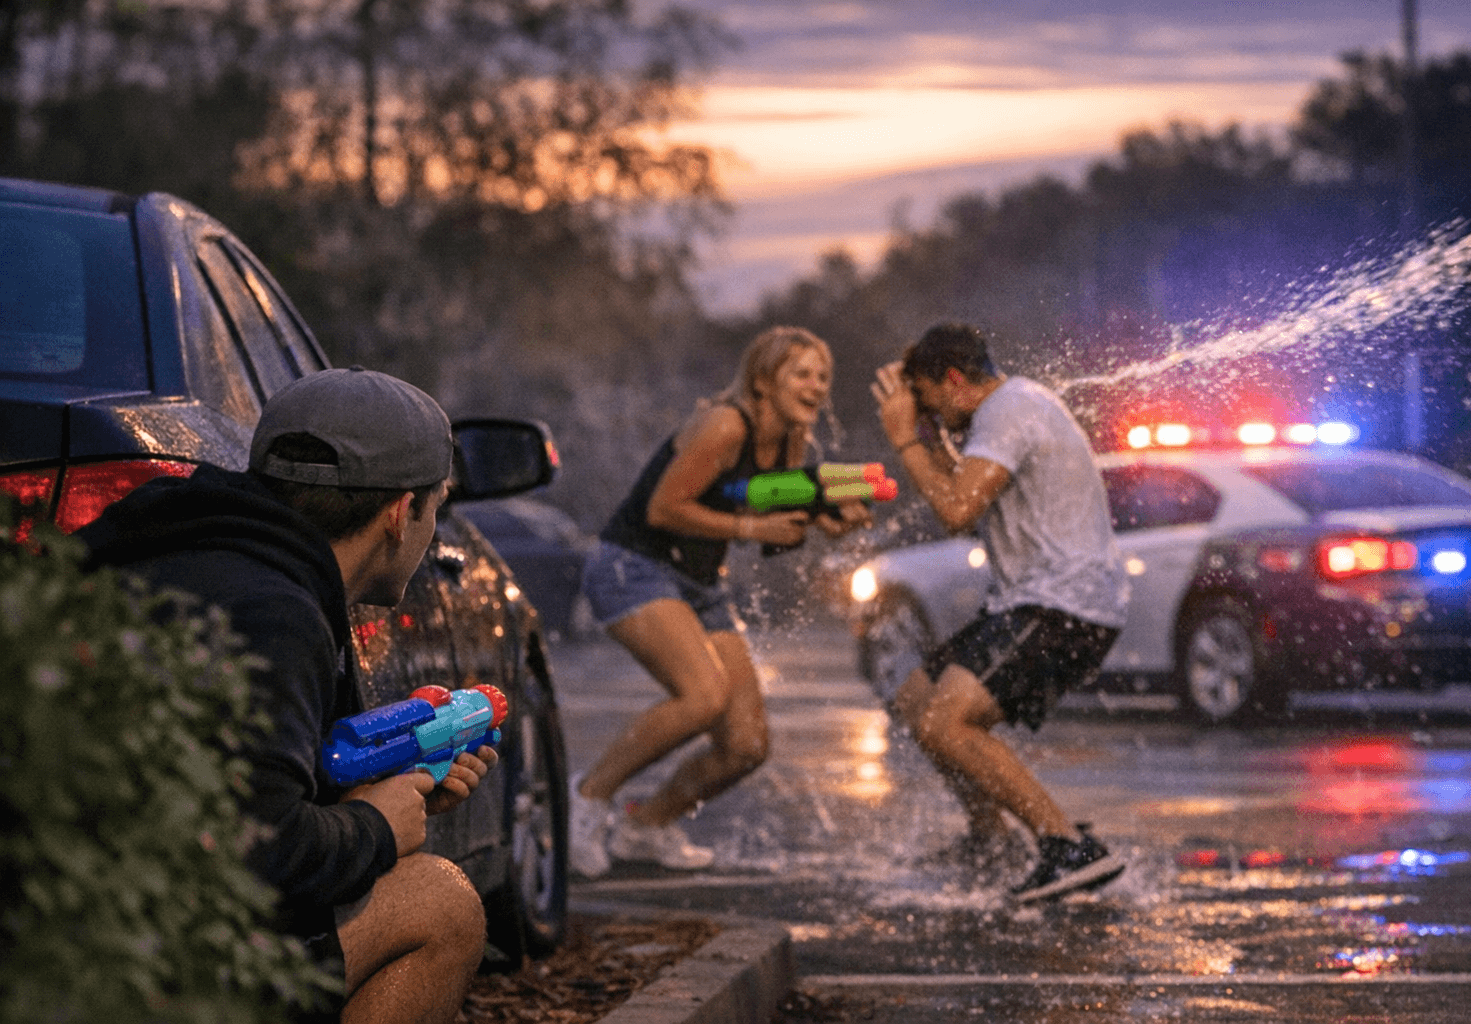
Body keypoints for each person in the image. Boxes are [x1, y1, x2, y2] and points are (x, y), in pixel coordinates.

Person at [79, 367, 495, 1024]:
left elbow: (221, 792)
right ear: (399, 513)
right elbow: (258, 853)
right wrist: (375, 827)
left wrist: (380, 782)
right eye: (435, 507)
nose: (431, 533)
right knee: (440, 904)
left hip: (70, 922)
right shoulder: (276, 614)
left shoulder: (178, 547)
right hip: (121, 972)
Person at [569, 326, 870, 878]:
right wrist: (754, 526)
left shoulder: (792, 440)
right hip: (632, 566)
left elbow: (774, 516)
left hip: (700, 583)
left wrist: (832, 519)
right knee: (702, 696)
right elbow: (663, 510)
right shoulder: (725, 425)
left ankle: (647, 824)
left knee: (746, 745)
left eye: (823, 375)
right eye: (801, 373)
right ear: (762, 380)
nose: (816, 385)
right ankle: (587, 799)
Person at [869, 323, 1131, 903]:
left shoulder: (1008, 411)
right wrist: (927, 433)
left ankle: (1067, 846)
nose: (933, 419)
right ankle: (991, 838)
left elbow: (957, 509)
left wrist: (905, 440)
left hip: (1065, 603)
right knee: (918, 700)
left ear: (956, 381)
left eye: (933, 403)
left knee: (947, 722)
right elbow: (960, 484)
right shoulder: (1006, 408)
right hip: (1033, 601)